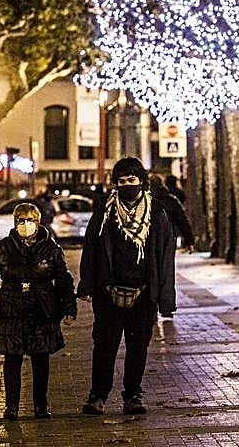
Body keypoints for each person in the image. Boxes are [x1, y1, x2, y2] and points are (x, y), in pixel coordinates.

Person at [77, 157, 175, 416]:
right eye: (121, 182)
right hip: (108, 293)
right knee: (104, 347)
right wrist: (86, 286)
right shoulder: (104, 213)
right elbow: (91, 251)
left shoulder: (157, 214)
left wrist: (165, 298)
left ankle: (133, 395)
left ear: (142, 181)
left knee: (137, 347)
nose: (127, 185)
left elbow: (165, 256)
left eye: (132, 180)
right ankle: (97, 396)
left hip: (143, 294)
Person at [0, 203, 76, 420]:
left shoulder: (50, 248)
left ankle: (41, 405)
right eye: (20, 220)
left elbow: (63, 279)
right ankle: (11, 405)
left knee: (40, 358)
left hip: (41, 308)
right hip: (11, 307)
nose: (25, 224)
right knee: (12, 358)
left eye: (29, 219)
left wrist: (69, 307)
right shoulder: (4, 247)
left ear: (38, 222)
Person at [149, 174, 195, 250]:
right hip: (169, 235)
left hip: (149, 237)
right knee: (167, 260)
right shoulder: (171, 200)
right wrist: (189, 241)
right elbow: (182, 221)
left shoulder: (145, 201)